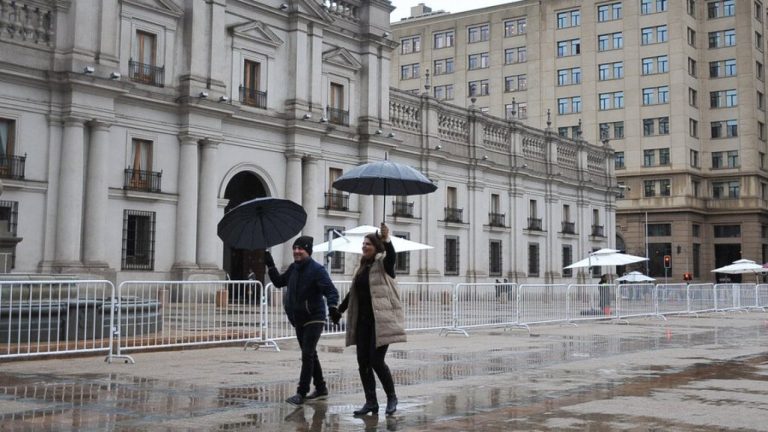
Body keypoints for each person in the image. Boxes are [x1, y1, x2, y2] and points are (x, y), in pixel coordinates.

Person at [333, 223, 406, 416]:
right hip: (363, 322)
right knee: (363, 362)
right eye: (363, 244)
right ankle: (371, 402)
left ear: (376, 247)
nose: (364, 246)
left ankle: (391, 397)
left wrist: (387, 239)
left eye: (368, 244)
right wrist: (340, 310)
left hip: (381, 321)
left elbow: (392, 257)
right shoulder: (362, 267)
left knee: (376, 361)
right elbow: (353, 293)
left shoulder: (383, 264)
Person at [265, 236, 341, 406]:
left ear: (308, 251)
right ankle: (321, 387)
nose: (296, 251)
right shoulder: (294, 268)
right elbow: (279, 282)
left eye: (301, 249)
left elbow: (331, 291)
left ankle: (301, 392)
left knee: (307, 354)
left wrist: (333, 307)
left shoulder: (317, 270)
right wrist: (270, 265)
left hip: (314, 317)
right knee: (311, 354)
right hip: (298, 318)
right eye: (295, 248)